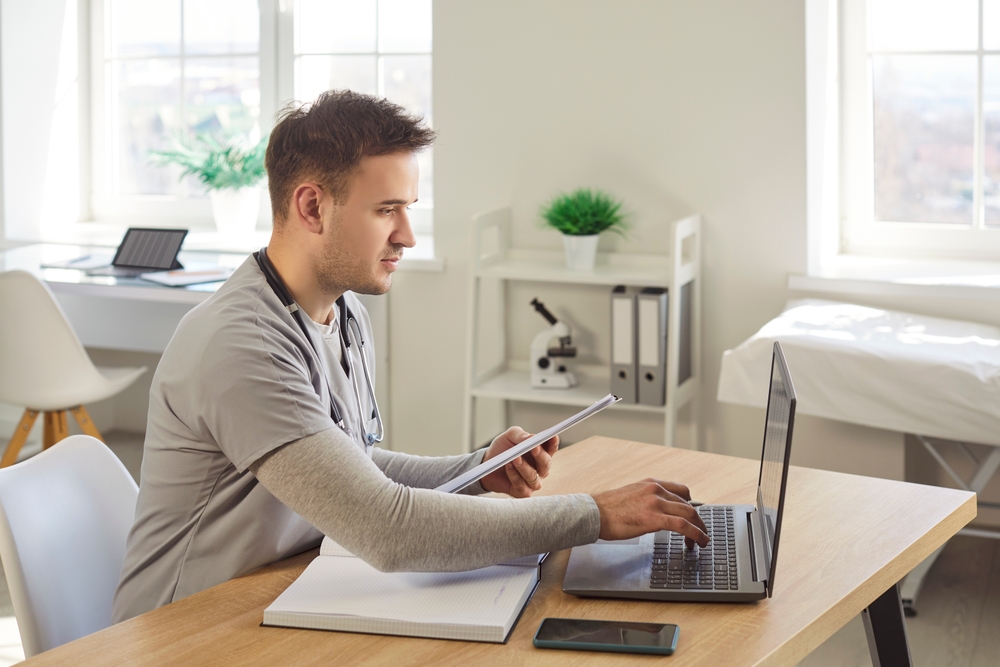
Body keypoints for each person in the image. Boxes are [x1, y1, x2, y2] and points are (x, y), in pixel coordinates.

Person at [112, 90, 708, 623]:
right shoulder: (238, 344)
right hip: (184, 630)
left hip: (275, 597)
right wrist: (593, 515)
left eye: (409, 207)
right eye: (386, 210)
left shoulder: (343, 313)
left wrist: (473, 472)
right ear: (312, 207)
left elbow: (355, 463)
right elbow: (386, 527)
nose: (408, 235)